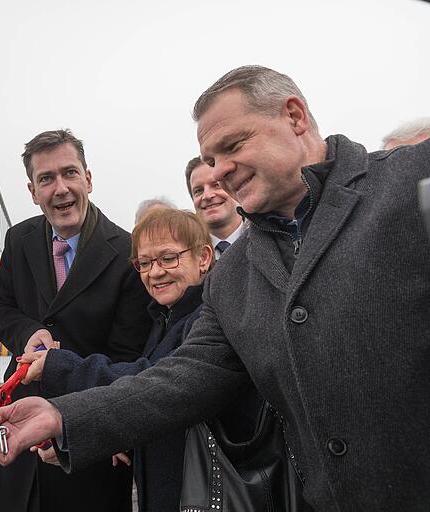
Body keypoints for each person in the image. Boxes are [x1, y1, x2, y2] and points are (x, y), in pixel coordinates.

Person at [0, 66, 430, 511]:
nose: (221, 172)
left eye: (232, 146)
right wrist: (64, 417)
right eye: (211, 159)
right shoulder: (234, 275)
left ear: (294, 117)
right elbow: (179, 379)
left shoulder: (409, 183)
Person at [18, 207, 262, 511]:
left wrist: (60, 367)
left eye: (168, 258)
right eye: (144, 263)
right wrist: (110, 437)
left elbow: (156, 383)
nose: (155, 272)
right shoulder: (163, 320)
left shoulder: (207, 320)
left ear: (203, 258)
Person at [0, 129, 152, 512]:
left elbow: (126, 358)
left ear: (88, 179)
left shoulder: (127, 252)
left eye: (69, 173)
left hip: (86, 443)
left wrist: (83, 425)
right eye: (46, 179)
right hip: (19, 434)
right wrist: (28, 332)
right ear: (32, 190)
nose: (60, 188)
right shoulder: (19, 239)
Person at [185, 156, 243, 258]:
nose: (207, 196)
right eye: (198, 190)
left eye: (216, 185)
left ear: (235, 188)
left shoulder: (270, 239)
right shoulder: (185, 256)